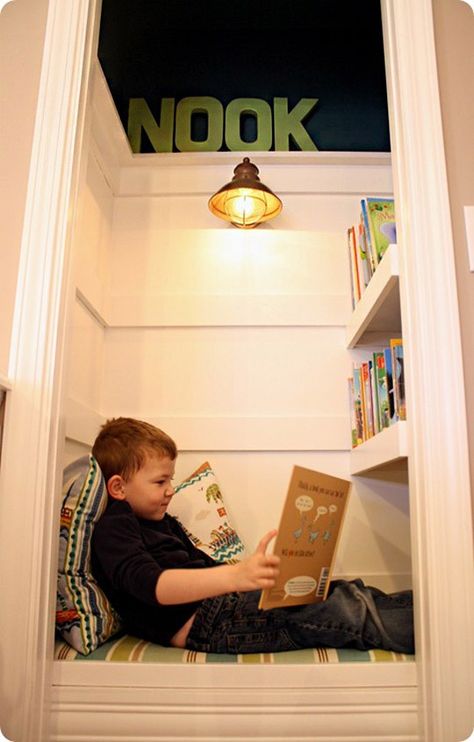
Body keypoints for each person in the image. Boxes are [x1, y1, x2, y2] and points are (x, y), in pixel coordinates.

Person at [91, 417, 415, 655]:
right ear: (118, 487)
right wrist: (235, 577)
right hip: (205, 625)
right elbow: (153, 586)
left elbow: (202, 566)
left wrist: (251, 575)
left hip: (220, 607)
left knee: (337, 590)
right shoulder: (114, 526)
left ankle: (435, 608)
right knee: (342, 612)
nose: (170, 490)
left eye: (170, 480)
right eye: (160, 482)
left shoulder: (160, 520)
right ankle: (442, 635)